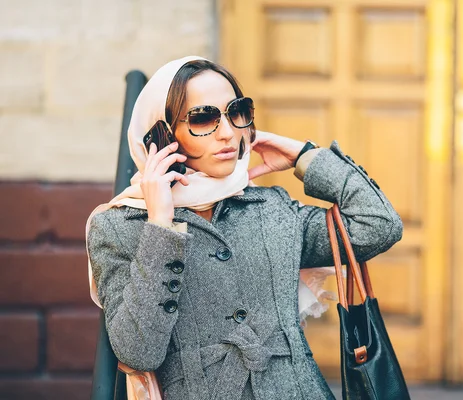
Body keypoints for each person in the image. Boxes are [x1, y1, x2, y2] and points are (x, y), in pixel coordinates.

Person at [86, 56, 403, 400]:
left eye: (236, 112)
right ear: (159, 136)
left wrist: (304, 157)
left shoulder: (272, 209)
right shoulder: (118, 227)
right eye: (203, 118)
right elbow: (138, 352)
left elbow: (379, 225)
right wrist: (160, 225)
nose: (227, 133)